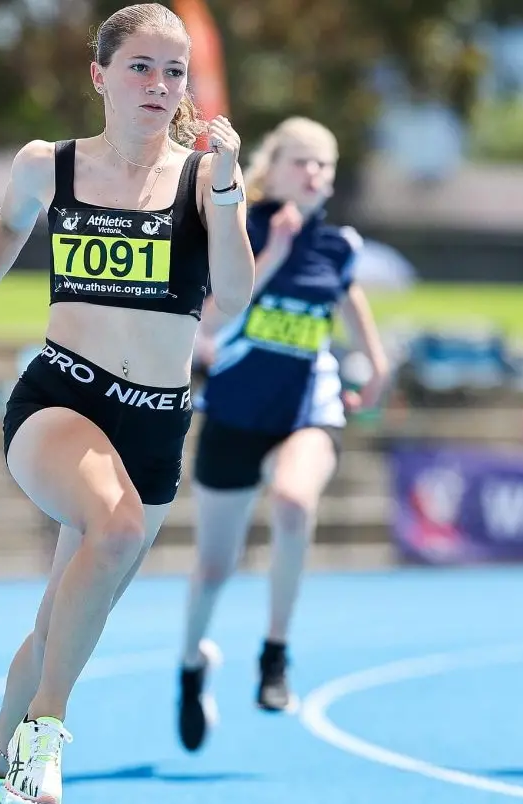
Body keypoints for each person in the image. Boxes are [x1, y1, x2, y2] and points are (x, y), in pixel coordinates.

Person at [0, 4, 255, 802]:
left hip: (155, 422)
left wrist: (226, 188)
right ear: (100, 75)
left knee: (61, 621)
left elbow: (237, 297)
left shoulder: (197, 176)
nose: (158, 83)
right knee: (114, 530)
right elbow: (6, 228)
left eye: (173, 71)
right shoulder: (51, 164)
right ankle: (46, 732)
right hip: (61, 398)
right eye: (140, 66)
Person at [174, 116, 390, 752]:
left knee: (295, 503)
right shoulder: (240, 227)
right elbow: (209, 327)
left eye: (324, 164)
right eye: (302, 161)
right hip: (235, 415)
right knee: (214, 566)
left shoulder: (340, 245)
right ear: (272, 169)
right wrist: (272, 254)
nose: (314, 174)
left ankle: (274, 654)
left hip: (306, 411)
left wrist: (375, 367)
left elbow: (351, 303)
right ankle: (191, 665)